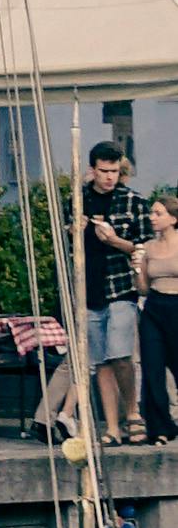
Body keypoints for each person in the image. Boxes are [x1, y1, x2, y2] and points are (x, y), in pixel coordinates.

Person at [83, 145, 140, 404]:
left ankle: (132, 412)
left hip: (121, 287)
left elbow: (143, 249)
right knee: (99, 362)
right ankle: (113, 425)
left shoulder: (133, 201)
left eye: (114, 171)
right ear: (92, 170)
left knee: (120, 354)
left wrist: (115, 241)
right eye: (104, 171)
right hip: (89, 288)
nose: (109, 177)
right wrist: (75, 229)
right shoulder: (79, 201)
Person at [139, 195, 178, 443]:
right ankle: (160, 427)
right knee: (153, 366)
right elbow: (143, 287)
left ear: (173, 219)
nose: (152, 218)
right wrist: (137, 269)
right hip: (154, 305)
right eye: (152, 213)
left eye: (158, 213)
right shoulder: (149, 247)